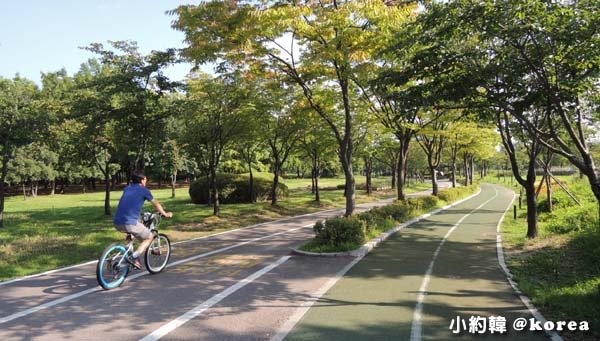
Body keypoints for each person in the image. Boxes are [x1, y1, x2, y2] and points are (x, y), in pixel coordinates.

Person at [113, 171, 173, 269]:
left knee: (136, 231)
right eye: (145, 179)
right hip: (129, 223)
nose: (146, 181)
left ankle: (131, 252)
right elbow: (156, 204)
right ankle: (133, 257)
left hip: (117, 222)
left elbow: (129, 204)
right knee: (149, 237)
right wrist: (165, 214)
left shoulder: (127, 188)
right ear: (141, 180)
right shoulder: (144, 190)